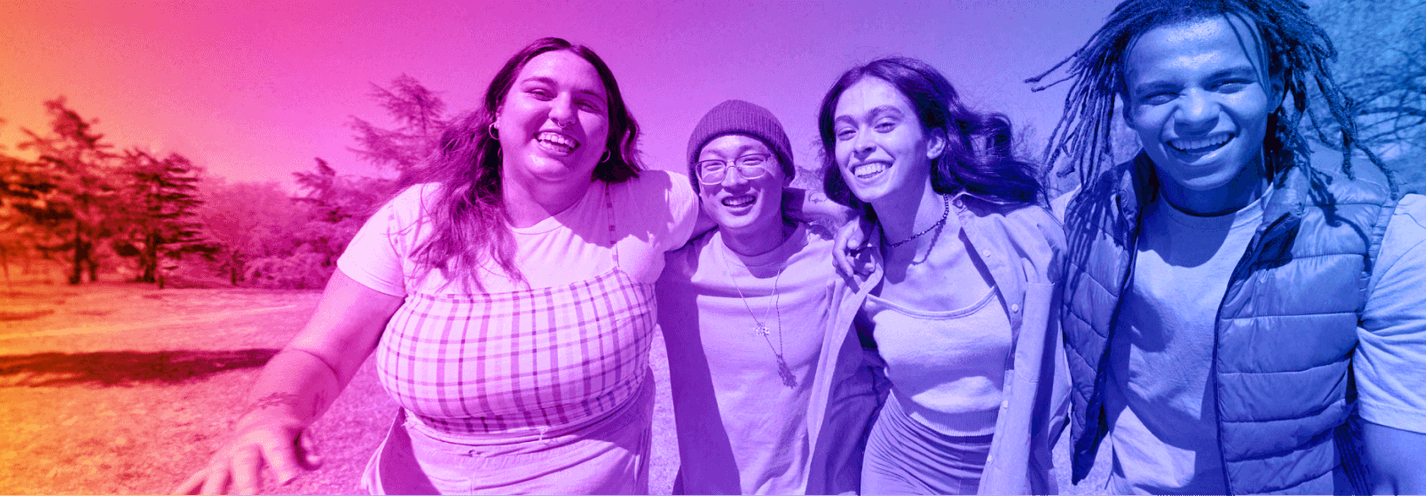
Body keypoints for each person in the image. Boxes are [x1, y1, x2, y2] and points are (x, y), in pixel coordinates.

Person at [1030, 1, 1426, 494]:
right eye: (1160, 93)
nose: (1196, 114)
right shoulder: (1075, 226)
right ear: (1129, 106)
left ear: (1276, 84)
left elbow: (1413, 482)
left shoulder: (1405, 246)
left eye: (1227, 82)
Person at [172, 37, 698, 495]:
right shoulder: (415, 217)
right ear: (496, 115)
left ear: (609, 133)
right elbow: (323, 352)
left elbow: (756, 200)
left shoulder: (648, 205)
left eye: (588, 103)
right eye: (540, 92)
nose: (563, 112)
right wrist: (271, 412)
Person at [815, 57, 1070, 495]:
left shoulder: (1021, 233)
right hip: (898, 467)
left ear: (933, 141)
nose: (860, 144)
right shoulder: (858, 264)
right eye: (846, 131)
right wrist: (845, 219)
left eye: (884, 124)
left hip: (1007, 464)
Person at [656, 99, 881, 495]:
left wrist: (840, 213)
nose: (733, 179)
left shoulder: (836, 257)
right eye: (713, 165)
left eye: (751, 160)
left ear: (784, 172)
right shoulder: (670, 273)